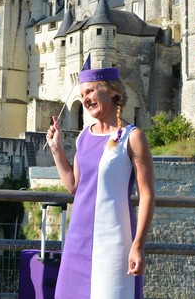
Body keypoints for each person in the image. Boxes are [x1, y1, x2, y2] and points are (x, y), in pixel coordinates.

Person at [46, 66, 155, 299]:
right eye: (82, 94)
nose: (85, 98)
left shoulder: (132, 137)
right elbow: (74, 186)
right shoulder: (84, 136)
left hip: (114, 243)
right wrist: (56, 149)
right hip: (78, 240)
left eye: (91, 91)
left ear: (112, 91)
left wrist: (138, 246)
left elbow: (146, 195)